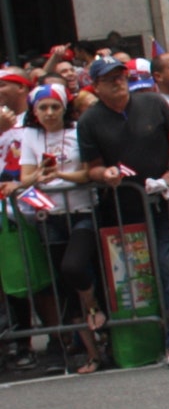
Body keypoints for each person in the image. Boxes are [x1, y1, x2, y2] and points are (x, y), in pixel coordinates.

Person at [77, 58, 169, 367]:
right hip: (122, 212)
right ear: (96, 86)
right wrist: (106, 174)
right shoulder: (89, 121)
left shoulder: (153, 103)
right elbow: (92, 166)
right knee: (134, 280)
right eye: (109, 79)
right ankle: (141, 341)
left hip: (162, 201)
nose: (117, 82)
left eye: (121, 76)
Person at [11, 84, 104, 373]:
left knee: (74, 267)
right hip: (49, 217)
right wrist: (38, 176)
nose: (49, 113)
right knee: (65, 288)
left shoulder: (78, 130)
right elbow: (25, 177)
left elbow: (89, 171)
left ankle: (94, 306)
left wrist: (59, 174)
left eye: (54, 107)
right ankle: (93, 355)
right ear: (34, 112)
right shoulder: (30, 136)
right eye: (43, 108)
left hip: (82, 212)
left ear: (65, 108)